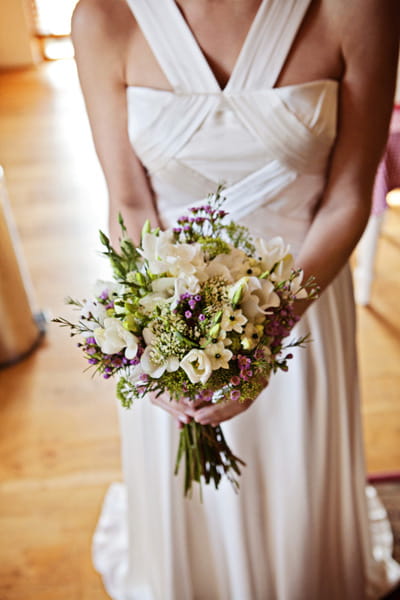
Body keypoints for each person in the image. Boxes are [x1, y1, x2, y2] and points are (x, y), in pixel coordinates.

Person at [71, 0, 400, 598]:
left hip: (305, 301)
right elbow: (129, 199)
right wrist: (154, 329)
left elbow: (350, 194)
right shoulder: (104, 17)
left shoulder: (359, 11)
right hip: (164, 311)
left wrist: (271, 330)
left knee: (296, 486)